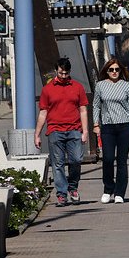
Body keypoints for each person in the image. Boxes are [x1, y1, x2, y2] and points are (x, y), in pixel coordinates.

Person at [35, 58, 89, 207]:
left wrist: (85, 131)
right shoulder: (47, 89)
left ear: (70, 72)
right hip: (55, 130)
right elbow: (43, 113)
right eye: (60, 73)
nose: (63, 76)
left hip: (74, 130)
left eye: (66, 73)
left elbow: (83, 110)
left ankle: (73, 188)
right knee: (57, 164)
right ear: (56, 71)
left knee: (76, 160)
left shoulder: (77, 87)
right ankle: (61, 194)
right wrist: (37, 134)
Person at [92, 58, 129, 204]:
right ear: (106, 71)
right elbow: (96, 106)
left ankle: (120, 193)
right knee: (107, 159)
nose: (114, 72)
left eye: (117, 70)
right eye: (111, 70)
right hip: (107, 126)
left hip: (125, 126)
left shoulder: (127, 86)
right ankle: (108, 189)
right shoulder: (100, 85)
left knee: (122, 160)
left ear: (121, 71)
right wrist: (96, 124)